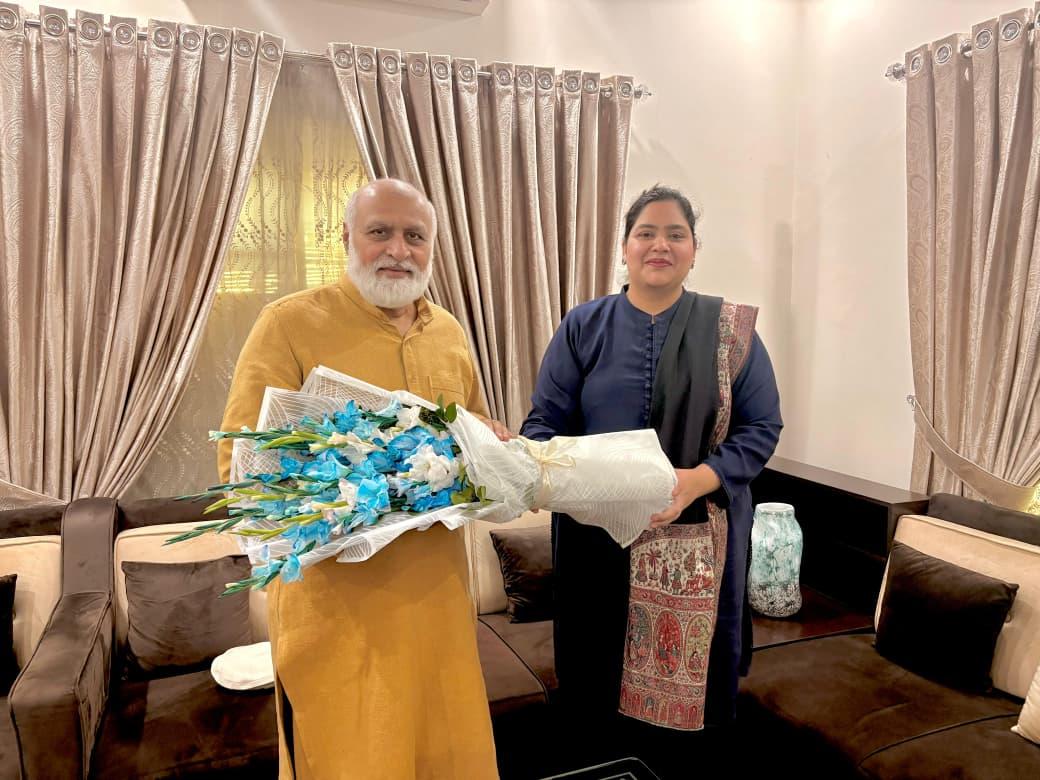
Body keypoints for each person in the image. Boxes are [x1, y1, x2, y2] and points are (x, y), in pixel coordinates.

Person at [220, 178, 507, 779]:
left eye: (415, 236)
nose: (398, 250)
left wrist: (493, 449)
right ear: (346, 237)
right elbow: (242, 465)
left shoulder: (449, 333)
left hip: (439, 603)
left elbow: (475, 434)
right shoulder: (289, 323)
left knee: (448, 757)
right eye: (380, 232)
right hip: (336, 616)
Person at [521, 185, 782, 778]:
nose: (659, 245)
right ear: (624, 248)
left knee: (692, 719)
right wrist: (534, 468)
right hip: (596, 540)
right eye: (646, 233)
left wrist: (700, 479)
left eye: (675, 234)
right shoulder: (583, 326)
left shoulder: (730, 331)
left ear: (694, 250)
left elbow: (762, 426)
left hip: (696, 541)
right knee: (597, 682)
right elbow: (544, 424)